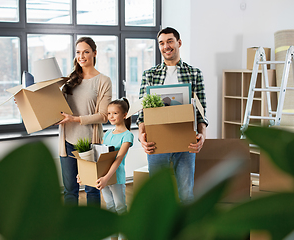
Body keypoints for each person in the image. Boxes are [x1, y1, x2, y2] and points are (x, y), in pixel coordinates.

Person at [136, 27, 208, 204]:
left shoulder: (194, 73)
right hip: (157, 140)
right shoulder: (150, 74)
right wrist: (141, 136)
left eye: (169, 41)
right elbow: (142, 110)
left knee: (186, 194)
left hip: (185, 140)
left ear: (179, 43)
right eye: (161, 43)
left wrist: (202, 135)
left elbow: (201, 110)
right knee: (158, 194)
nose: (165, 46)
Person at [58, 37, 112, 207]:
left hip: (90, 143)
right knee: (70, 190)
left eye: (86, 52)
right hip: (67, 142)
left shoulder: (103, 81)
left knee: (92, 189)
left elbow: (104, 115)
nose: (82, 56)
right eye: (78, 52)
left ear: (94, 53)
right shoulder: (69, 81)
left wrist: (75, 119)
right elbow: (55, 107)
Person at [78, 98, 133, 240]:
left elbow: (118, 159)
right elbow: (98, 157)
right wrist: (84, 175)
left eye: (115, 113)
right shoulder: (107, 134)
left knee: (120, 207)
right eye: (109, 113)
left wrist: (106, 178)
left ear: (125, 115)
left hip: (115, 177)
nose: (111, 117)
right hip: (103, 177)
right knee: (109, 206)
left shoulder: (127, 136)